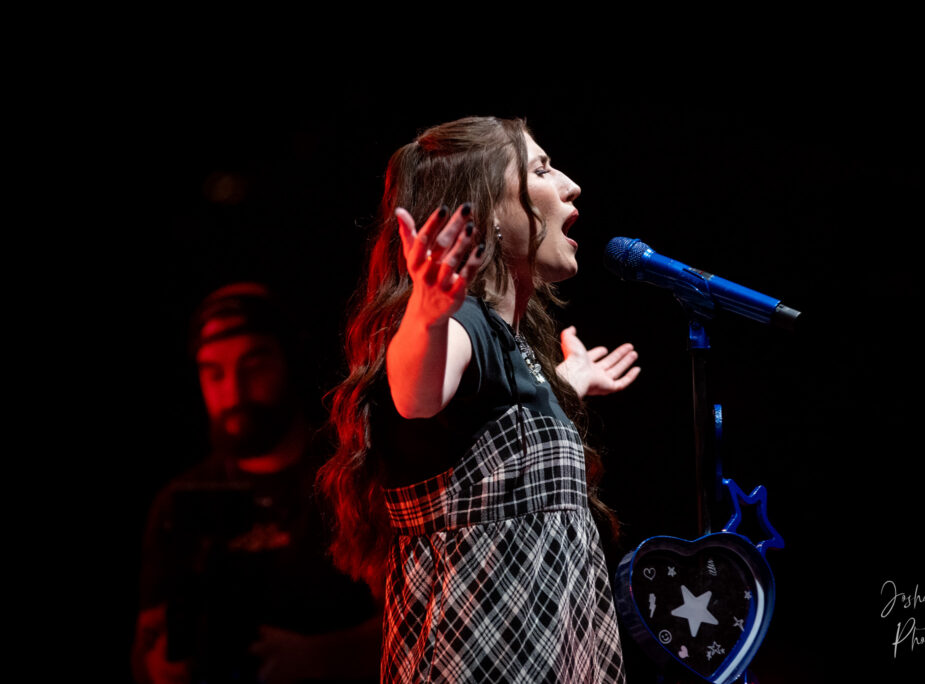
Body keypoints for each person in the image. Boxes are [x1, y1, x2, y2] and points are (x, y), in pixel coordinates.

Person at [317, 116, 641, 682]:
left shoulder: (506, 344)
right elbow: (417, 395)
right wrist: (427, 313)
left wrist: (566, 383)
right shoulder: (460, 325)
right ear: (487, 209)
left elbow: (497, 423)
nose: (570, 185)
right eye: (541, 169)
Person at [132, 282, 382, 684]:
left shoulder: (353, 478)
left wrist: (318, 658)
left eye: (254, 365)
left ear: (288, 360)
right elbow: (146, 646)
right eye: (214, 373)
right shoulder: (178, 504)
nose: (234, 392)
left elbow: (416, 621)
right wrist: (160, 665)